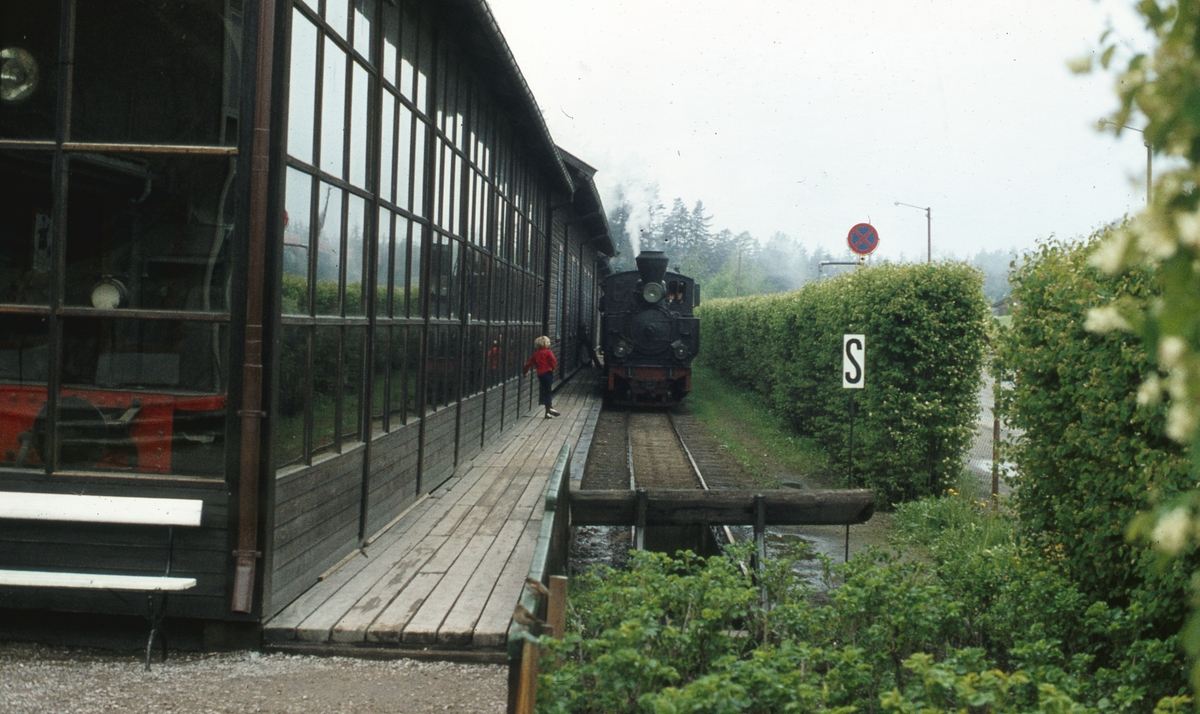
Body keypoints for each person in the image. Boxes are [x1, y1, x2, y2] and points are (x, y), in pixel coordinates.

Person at [523, 335, 559, 418]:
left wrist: (525, 372)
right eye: (548, 342)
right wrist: (553, 368)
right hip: (548, 373)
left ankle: (549, 406)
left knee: (545, 390)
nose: (549, 344)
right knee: (548, 392)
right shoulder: (548, 352)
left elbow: (528, 364)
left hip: (540, 375)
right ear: (546, 344)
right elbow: (553, 360)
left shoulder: (536, 354)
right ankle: (548, 411)